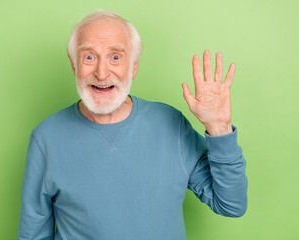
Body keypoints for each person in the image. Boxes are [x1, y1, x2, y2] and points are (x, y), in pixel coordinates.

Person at [18, 9, 248, 240]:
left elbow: (231, 204)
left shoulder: (171, 124)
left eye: (115, 57)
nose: (101, 72)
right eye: (89, 57)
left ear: (133, 67)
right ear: (74, 65)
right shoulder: (46, 138)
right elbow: (33, 235)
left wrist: (219, 128)